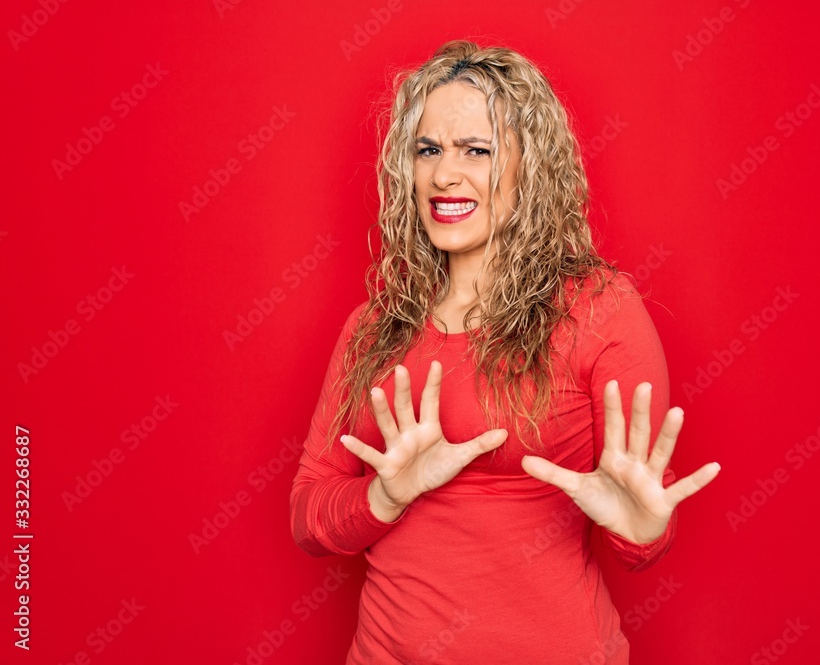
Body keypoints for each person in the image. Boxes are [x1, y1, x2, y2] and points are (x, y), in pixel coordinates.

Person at [289, 39, 721, 664]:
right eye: (428, 150)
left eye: (477, 150)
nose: (444, 175)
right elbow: (308, 516)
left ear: (530, 167)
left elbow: (641, 524)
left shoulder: (598, 310)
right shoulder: (373, 328)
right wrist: (385, 496)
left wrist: (643, 530)